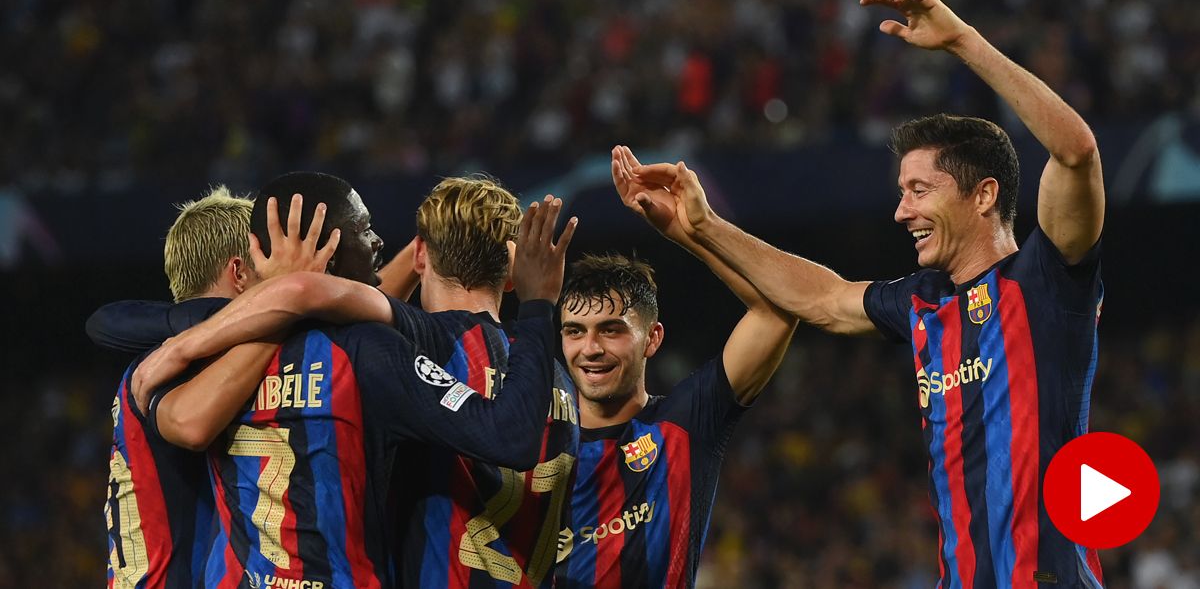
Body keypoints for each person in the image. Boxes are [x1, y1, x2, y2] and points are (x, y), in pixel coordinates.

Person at [632, 0, 1107, 588]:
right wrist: (703, 227)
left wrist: (962, 40)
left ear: (983, 195)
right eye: (900, 192)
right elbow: (820, 299)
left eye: (919, 191)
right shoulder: (921, 301)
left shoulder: (1047, 282)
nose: (901, 212)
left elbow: (1075, 151)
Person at [119, 173, 581, 587]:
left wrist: (185, 345)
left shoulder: (175, 362)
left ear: (422, 253)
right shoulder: (375, 353)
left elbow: (162, 386)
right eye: (365, 230)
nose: (379, 241)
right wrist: (540, 301)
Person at [552, 148, 797, 588]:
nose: (589, 348)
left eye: (611, 330)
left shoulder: (685, 422)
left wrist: (688, 230)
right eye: (574, 331)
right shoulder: (531, 439)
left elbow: (779, 308)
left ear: (653, 339)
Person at [100, 185, 336, 589]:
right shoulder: (197, 365)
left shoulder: (160, 358)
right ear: (240, 274)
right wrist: (286, 307)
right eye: (268, 268)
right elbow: (193, 424)